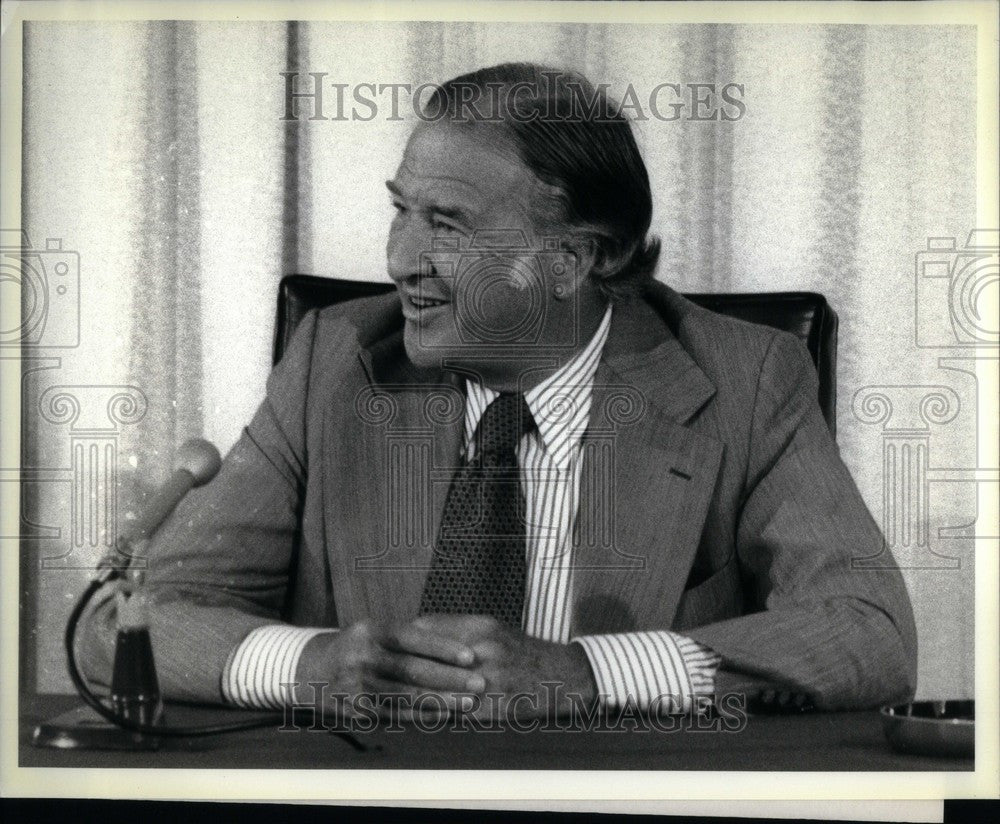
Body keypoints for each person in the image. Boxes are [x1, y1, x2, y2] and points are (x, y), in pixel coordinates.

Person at [80, 63, 917, 722]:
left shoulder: (746, 379)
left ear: (574, 259)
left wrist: (586, 673)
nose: (402, 259)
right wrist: (311, 664)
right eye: (401, 211)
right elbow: (122, 624)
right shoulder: (334, 360)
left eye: (447, 224)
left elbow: (868, 632)